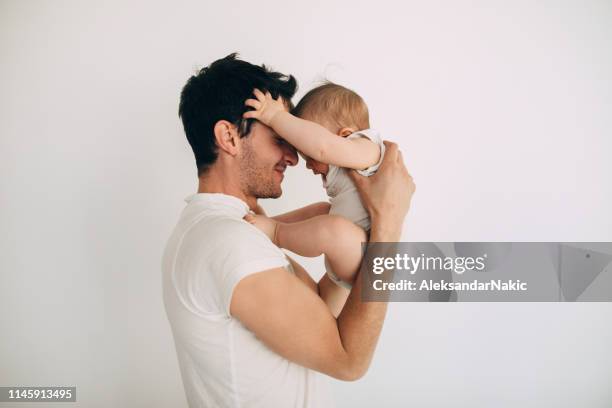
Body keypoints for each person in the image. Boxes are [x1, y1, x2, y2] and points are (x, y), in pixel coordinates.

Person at [162, 53, 416, 408]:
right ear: (229, 137)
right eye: (279, 134)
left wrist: (353, 239)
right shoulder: (228, 242)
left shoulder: (235, 231)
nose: (295, 156)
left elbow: (322, 315)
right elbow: (348, 360)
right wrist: (388, 222)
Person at [242, 82, 384, 290]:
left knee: (333, 227)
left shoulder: (370, 150)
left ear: (344, 135)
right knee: (322, 211)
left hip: (364, 259)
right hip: (347, 253)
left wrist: (275, 117)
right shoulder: (350, 159)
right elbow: (322, 146)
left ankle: (276, 232)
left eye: (308, 154)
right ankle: (267, 224)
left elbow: (323, 147)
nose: (305, 163)